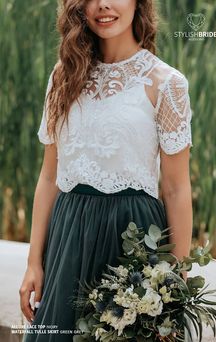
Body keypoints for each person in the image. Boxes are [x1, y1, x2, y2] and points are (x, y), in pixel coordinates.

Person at [19, 0, 193, 341]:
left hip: (132, 242)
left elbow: (175, 188)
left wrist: (175, 278)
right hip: (67, 240)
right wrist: (33, 262)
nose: (103, 5)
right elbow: (49, 176)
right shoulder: (62, 76)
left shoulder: (166, 83)